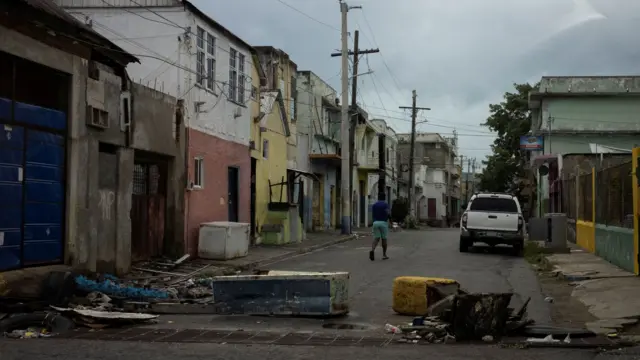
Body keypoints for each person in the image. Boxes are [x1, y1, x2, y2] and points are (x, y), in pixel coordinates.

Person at [370, 195, 390, 261]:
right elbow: (388, 213)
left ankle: (372, 250)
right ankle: (384, 255)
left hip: (375, 223)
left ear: (378, 198)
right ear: (384, 198)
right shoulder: (385, 205)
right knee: (384, 239)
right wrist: (391, 221)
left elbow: (372, 215)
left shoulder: (374, 205)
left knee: (376, 238)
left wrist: (373, 222)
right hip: (383, 223)